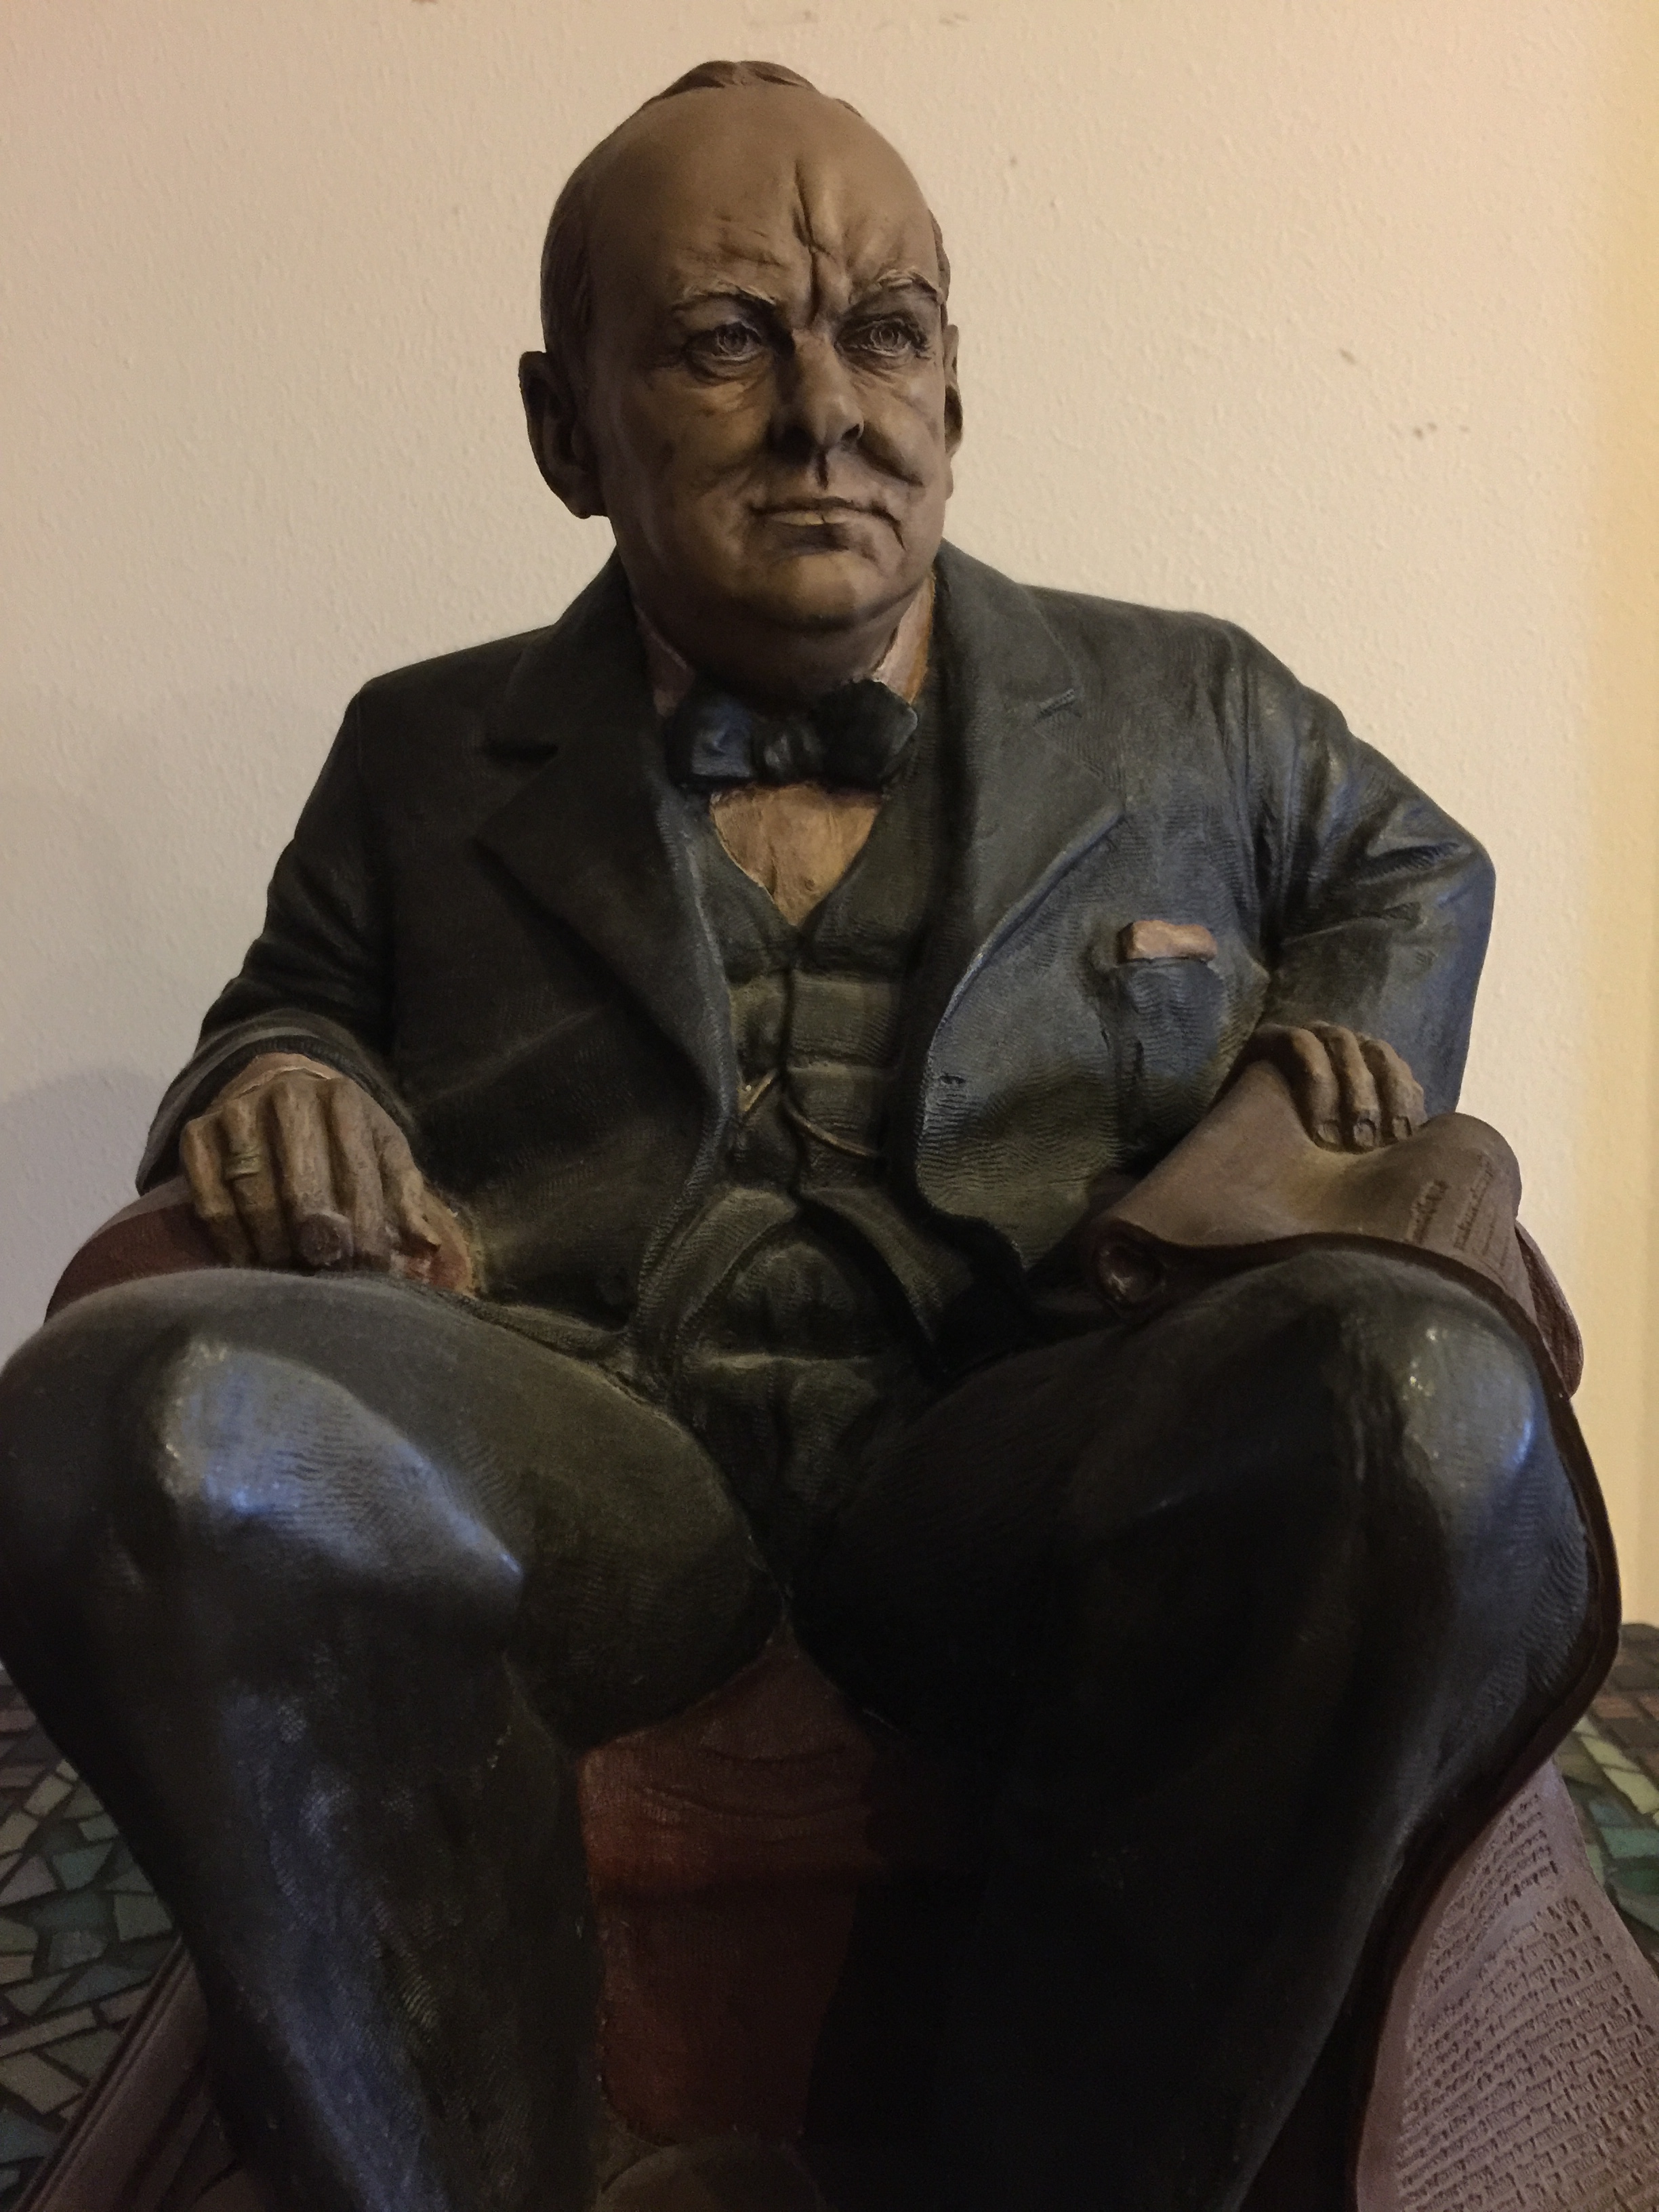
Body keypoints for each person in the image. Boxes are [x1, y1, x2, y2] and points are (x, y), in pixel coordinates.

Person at [0, 60, 1597, 2212]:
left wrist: (1315, 1061)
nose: (826, 413)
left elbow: (1419, 872)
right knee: (127, 1413)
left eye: (886, 331)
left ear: (954, 388)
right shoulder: (420, 749)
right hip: (593, 1448)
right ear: (567, 429)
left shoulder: (1188, 704)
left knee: (1417, 1403)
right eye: (726, 340)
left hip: (1023, 1434)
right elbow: (290, 1004)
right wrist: (279, 1078)